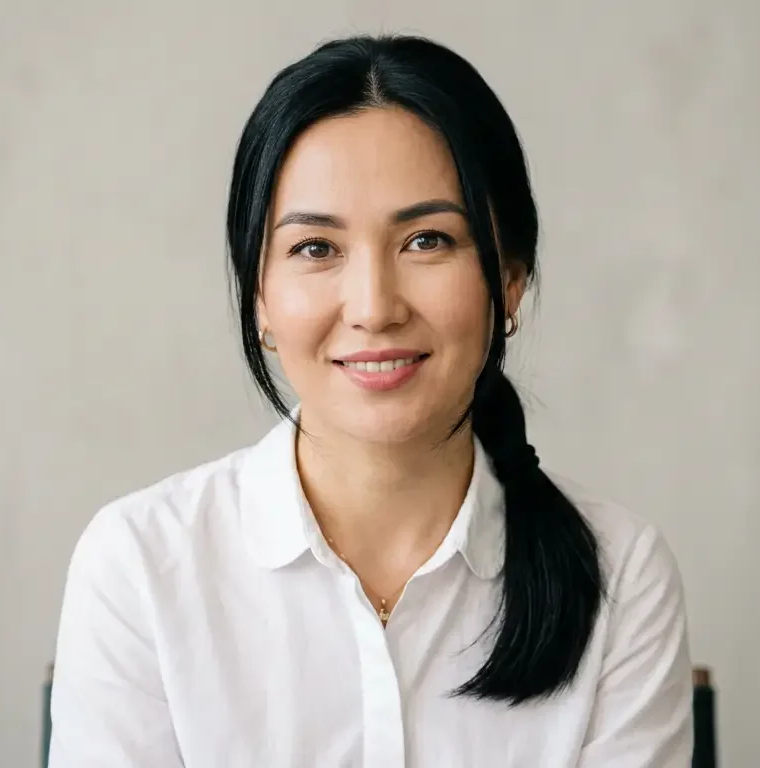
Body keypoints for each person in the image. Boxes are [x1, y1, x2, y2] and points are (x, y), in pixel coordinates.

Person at [49, 34, 693, 768]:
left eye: (427, 241)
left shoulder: (621, 575)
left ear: (510, 281)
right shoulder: (141, 564)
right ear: (259, 297)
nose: (374, 307)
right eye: (316, 249)